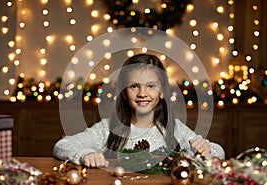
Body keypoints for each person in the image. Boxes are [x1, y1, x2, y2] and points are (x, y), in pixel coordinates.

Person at [53, 53, 225, 168]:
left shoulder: (175, 129)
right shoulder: (108, 129)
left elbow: (219, 153)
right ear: (124, 93)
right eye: (134, 86)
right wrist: (86, 154)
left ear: (163, 92)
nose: (142, 94)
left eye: (151, 86)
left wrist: (206, 150)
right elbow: (63, 145)